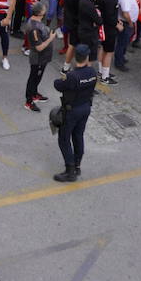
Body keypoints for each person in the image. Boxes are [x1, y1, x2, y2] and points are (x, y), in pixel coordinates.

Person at [51, 45, 97, 183]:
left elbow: (57, 84)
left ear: (75, 57)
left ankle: (70, 171)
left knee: (64, 139)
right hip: (85, 108)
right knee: (78, 136)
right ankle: (77, 166)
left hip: (72, 111)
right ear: (87, 57)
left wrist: (64, 77)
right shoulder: (92, 72)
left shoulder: (72, 76)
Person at [23, 1, 55, 112]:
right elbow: (39, 47)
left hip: (43, 58)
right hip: (38, 59)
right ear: (40, 13)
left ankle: (35, 94)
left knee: (37, 77)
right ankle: (29, 101)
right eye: (44, 9)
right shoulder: (34, 28)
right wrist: (51, 38)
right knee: (33, 78)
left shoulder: (36, 22)